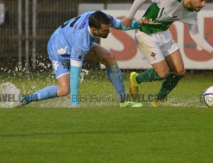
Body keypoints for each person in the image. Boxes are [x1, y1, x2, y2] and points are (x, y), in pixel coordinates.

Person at [122, 0, 213, 107]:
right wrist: (129, 17)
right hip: (146, 34)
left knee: (180, 71)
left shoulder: (192, 12)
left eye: (205, 1)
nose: (203, 4)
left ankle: (158, 101)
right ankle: (136, 79)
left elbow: (194, 34)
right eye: (201, 0)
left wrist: (212, 51)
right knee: (163, 73)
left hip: (164, 34)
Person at [11, 11, 143, 108]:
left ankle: (123, 101)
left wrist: (139, 24)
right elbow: (75, 73)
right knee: (64, 90)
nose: (108, 32)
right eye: (105, 30)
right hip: (59, 49)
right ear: (93, 29)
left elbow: (120, 25)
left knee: (109, 58)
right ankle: (25, 99)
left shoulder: (102, 17)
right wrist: (74, 103)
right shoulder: (82, 42)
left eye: (108, 28)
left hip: (69, 39)